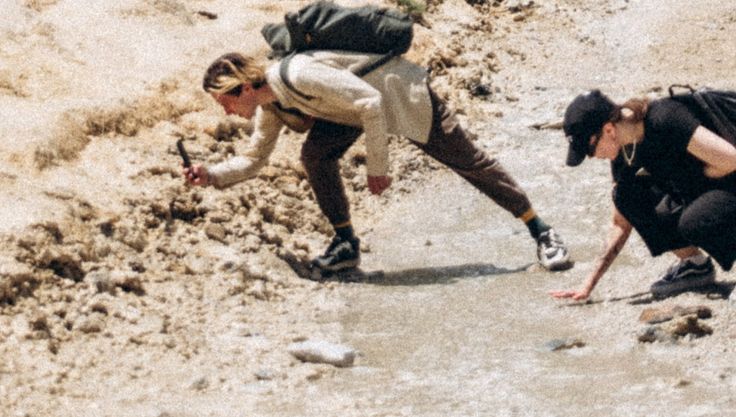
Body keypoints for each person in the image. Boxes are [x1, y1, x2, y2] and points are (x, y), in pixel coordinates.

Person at [185, 51, 572, 275]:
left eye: (225, 102)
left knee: (469, 162)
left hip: (400, 95)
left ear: (245, 88)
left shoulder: (298, 74)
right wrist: (211, 174)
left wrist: (377, 168)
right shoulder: (271, 105)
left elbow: (371, 101)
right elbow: (254, 158)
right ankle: (345, 244)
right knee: (315, 155)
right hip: (353, 112)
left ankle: (541, 230)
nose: (226, 111)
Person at [549, 91, 736, 307]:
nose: (591, 157)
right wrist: (589, 283)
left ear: (608, 129)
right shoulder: (625, 152)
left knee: (693, 222)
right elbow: (620, 222)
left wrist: (689, 182)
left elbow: (731, 160)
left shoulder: (665, 118)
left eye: (589, 149)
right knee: (627, 197)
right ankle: (695, 265)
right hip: (705, 194)